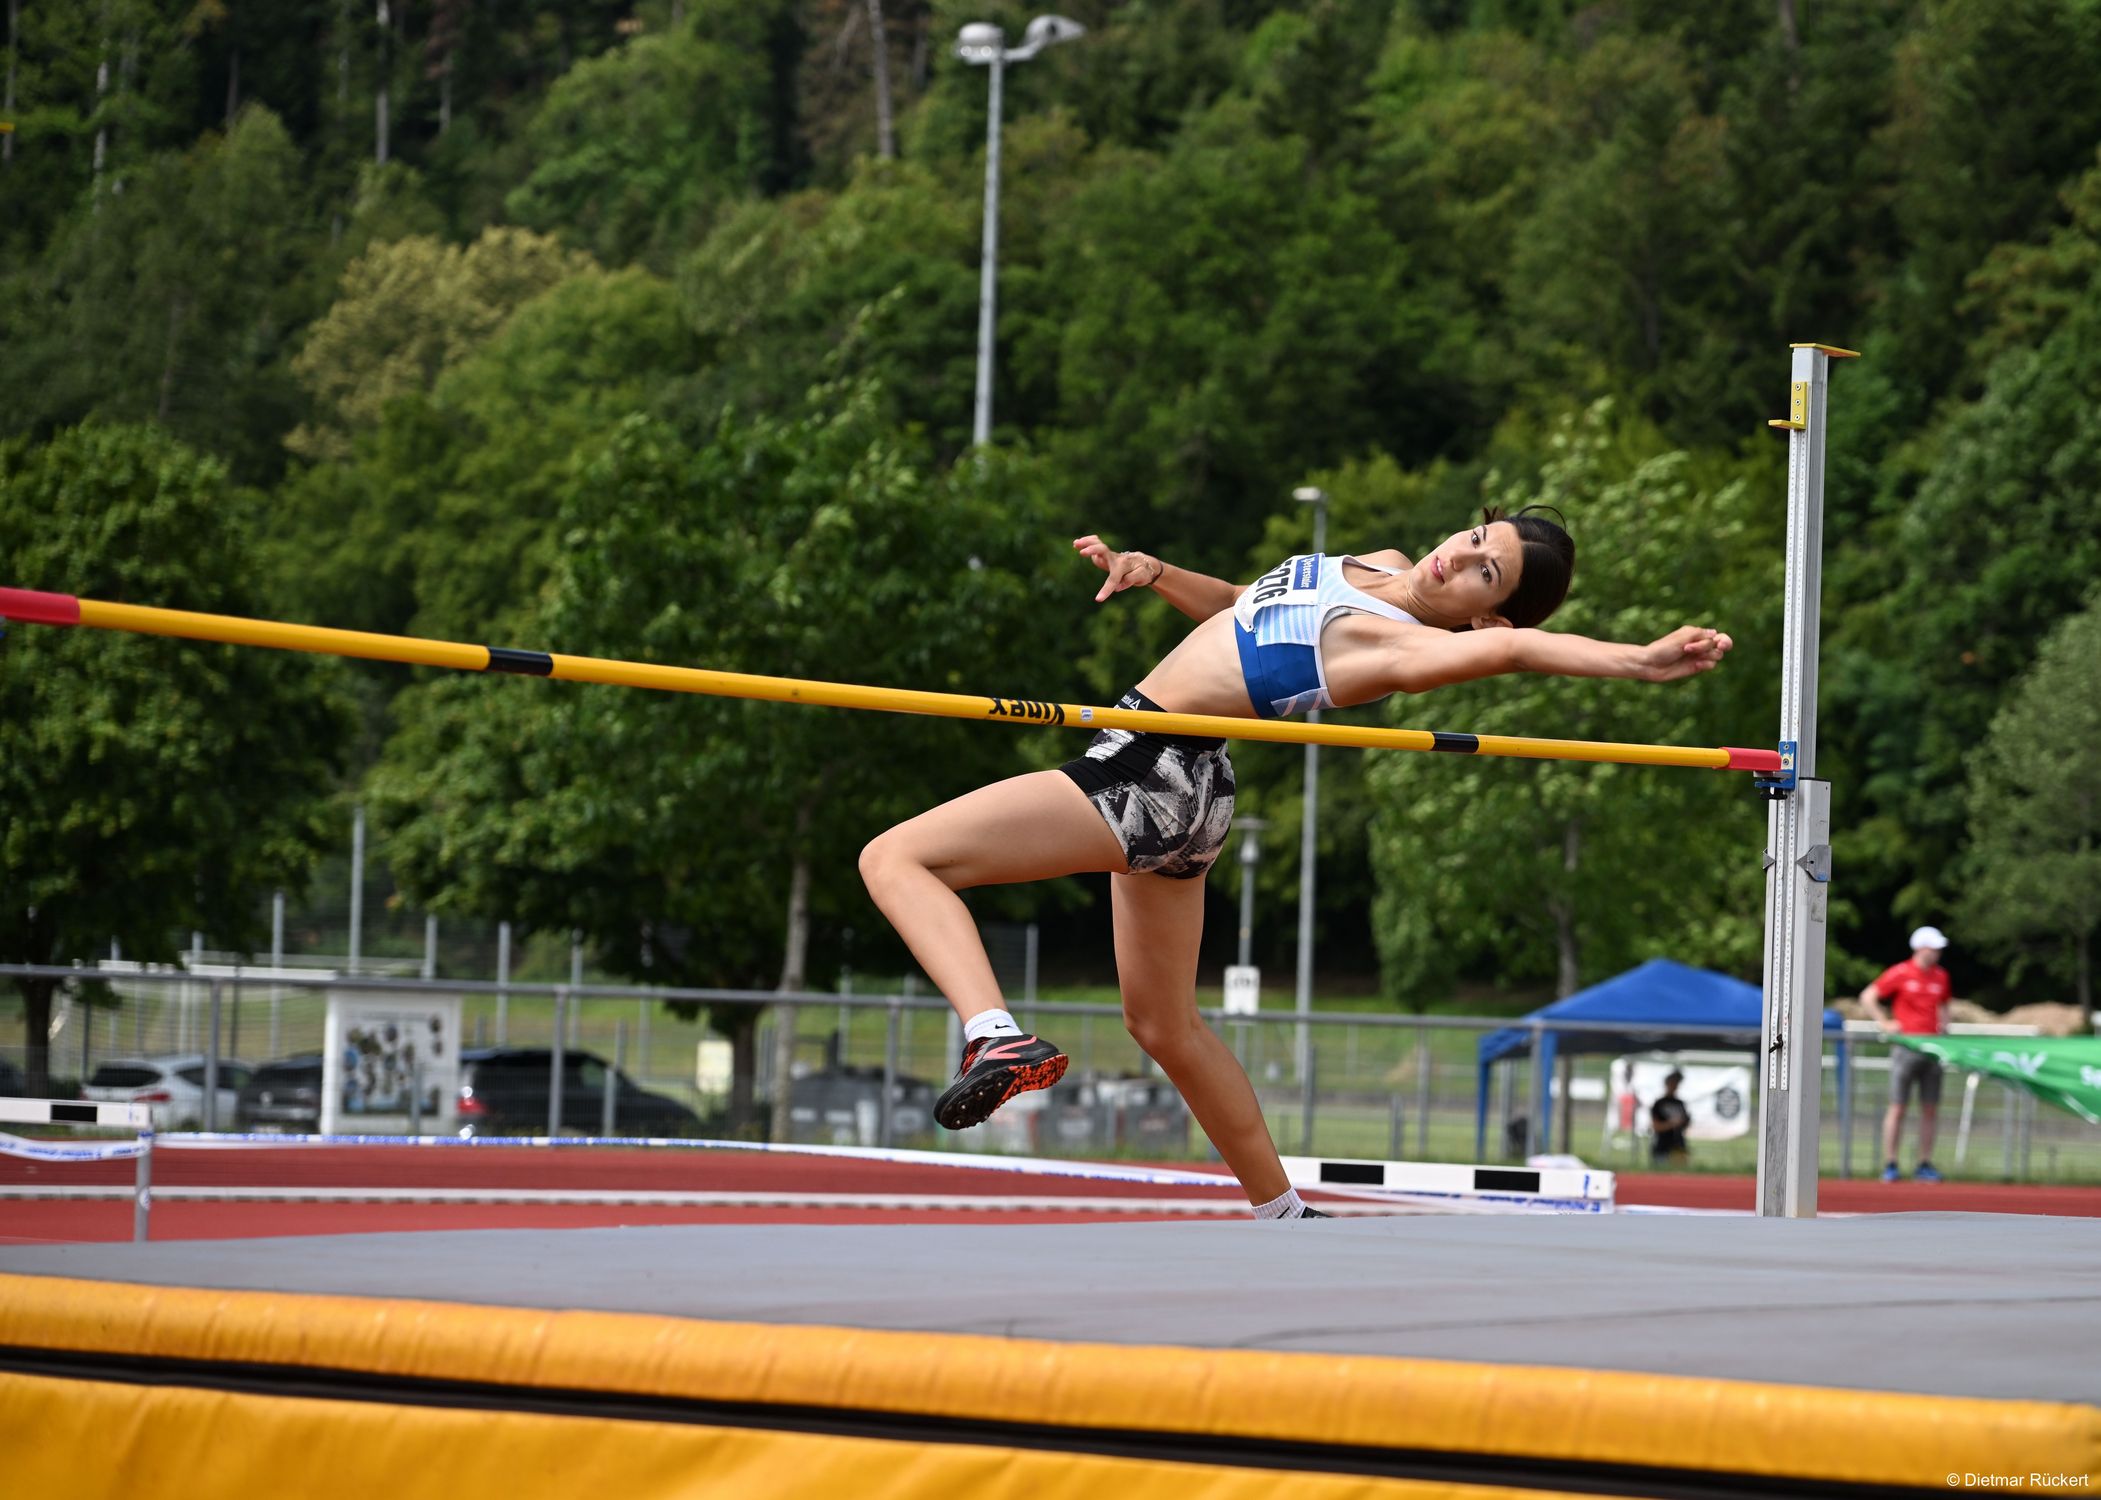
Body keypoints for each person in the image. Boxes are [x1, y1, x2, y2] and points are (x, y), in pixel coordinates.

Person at [858, 508, 1736, 1219]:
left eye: (1484, 575)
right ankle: (1282, 1213)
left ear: (1484, 613)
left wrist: (1639, 662)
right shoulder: (1376, 560)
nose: (1457, 560)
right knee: (1164, 1025)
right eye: (1475, 540)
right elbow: (1248, 606)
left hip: (1148, 767)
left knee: (896, 857)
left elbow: (1517, 651)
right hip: (1195, 782)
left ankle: (994, 1037)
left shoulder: (1408, 649)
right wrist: (1156, 573)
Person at [1861, 925, 1953, 1183]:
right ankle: (1890, 1163)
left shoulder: (1941, 976)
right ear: (1921, 947)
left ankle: (1924, 1163)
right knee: (1898, 1107)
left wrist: (1945, 1027)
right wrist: (1885, 1022)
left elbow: (1945, 1005)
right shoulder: (1900, 972)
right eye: (1934, 948)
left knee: (1930, 1108)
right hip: (1906, 1048)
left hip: (1933, 1050)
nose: (1937, 952)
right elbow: (1868, 996)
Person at [1649, 1070, 1691, 1166]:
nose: (1674, 1086)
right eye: (1672, 1082)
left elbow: (1685, 1124)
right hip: (1662, 1146)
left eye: (1676, 1083)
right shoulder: (1659, 1103)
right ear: (1667, 1083)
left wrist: (1683, 1122)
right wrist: (1672, 1123)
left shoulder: (1680, 1104)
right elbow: (1656, 1126)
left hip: (1678, 1146)